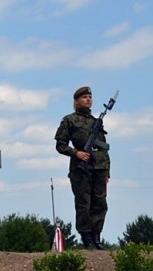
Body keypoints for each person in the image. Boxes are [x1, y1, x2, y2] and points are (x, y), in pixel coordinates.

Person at [54, 86, 111, 250]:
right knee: (83, 204)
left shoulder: (96, 122)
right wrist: (76, 153)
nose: (88, 99)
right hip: (80, 168)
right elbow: (60, 145)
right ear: (76, 101)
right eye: (85, 97)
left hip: (99, 167)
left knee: (100, 203)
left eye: (90, 97)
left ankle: (96, 237)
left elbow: (103, 148)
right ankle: (86, 238)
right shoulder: (69, 120)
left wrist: (107, 171)